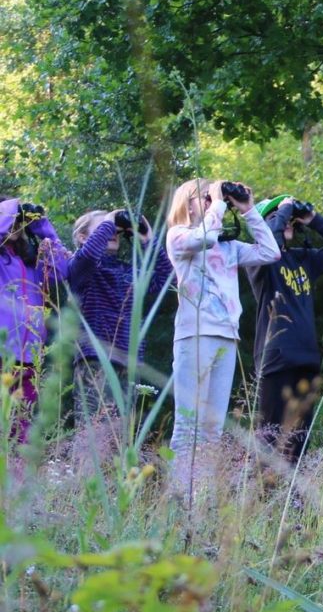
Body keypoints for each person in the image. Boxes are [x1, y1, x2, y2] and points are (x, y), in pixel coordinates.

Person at [165, 179, 280, 501]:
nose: (214, 202)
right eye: (203, 198)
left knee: (212, 429)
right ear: (187, 204)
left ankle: (200, 500)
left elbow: (270, 253)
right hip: (195, 333)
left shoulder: (226, 246)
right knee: (189, 424)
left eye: (214, 198)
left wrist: (248, 209)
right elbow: (200, 239)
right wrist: (217, 201)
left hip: (227, 336)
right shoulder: (179, 237)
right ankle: (180, 500)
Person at [245, 195, 323, 463]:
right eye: (276, 219)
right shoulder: (257, 262)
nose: (286, 223)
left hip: (306, 358)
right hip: (276, 358)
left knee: (297, 441)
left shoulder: (304, 259)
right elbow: (269, 242)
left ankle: (293, 502)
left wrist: (314, 219)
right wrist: (281, 212)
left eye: (289, 220)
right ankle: (266, 497)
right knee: (271, 437)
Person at [67, 208, 172, 452]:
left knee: (119, 440)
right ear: (83, 236)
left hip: (128, 361)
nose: (113, 231)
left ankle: (113, 489)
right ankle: (84, 487)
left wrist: (146, 236)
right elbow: (89, 256)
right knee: (93, 435)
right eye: (104, 227)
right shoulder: (81, 268)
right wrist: (110, 220)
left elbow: (166, 278)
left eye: (115, 229)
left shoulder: (129, 271)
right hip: (96, 360)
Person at [0, 198, 70, 443]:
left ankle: (17, 481)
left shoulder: (31, 262)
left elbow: (61, 269)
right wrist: (10, 210)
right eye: (10, 218)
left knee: (22, 426)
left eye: (19, 221)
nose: (14, 225)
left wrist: (42, 226)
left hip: (28, 357)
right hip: (2, 354)